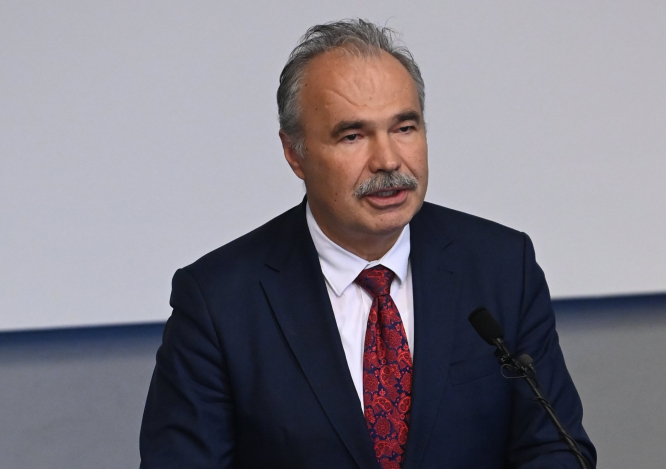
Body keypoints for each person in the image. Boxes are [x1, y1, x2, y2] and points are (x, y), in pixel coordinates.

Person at [139, 19, 596, 469]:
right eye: (353, 135)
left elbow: (555, 449)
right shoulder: (219, 301)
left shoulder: (502, 267)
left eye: (404, 128)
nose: (388, 160)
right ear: (295, 153)